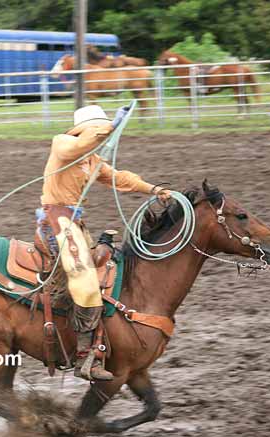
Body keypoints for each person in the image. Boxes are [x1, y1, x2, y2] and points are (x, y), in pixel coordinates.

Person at [38, 105, 171, 381]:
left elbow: (118, 177)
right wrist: (109, 127)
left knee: (105, 270)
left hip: (73, 224)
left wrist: (153, 189)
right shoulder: (63, 144)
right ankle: (84, 357)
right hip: (57, 222)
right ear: (86, 130)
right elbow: (80, 145)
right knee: (85, 281)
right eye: (98, 129)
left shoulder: (90, 159)